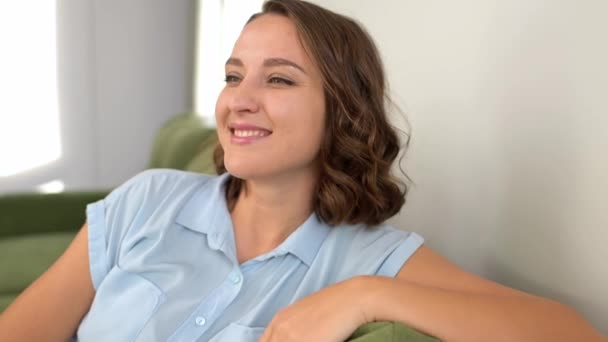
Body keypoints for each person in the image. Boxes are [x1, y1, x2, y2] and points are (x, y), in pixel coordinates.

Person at [0, 0, 603, 341]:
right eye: (234, 76)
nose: (239, 98)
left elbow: (569, 332)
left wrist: (367, 295)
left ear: (342, 111)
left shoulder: (371, 259)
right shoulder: (146, 200)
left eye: (279, 79)